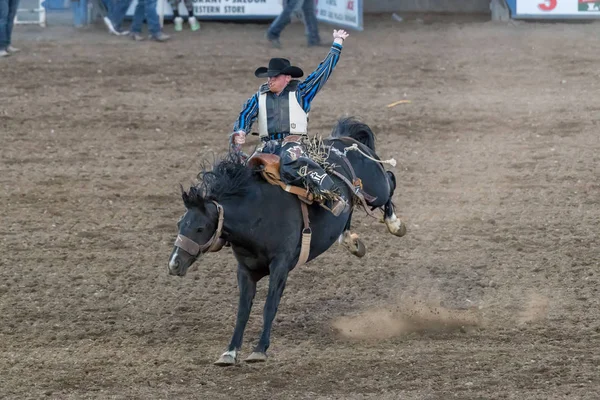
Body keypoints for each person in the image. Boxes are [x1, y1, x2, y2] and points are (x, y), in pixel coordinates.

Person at [230, 29, 350, 215]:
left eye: (275, 77)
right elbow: (245, 115)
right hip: (267, 146)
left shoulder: (301, 92)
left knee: (292, 162)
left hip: (293, 143)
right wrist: (240, 132)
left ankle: (331, 194)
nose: (270, 80)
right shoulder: (259, 97)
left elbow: (322, 73)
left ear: (287, 78)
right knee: (246, 169)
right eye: (269, 77)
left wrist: (337, 44)